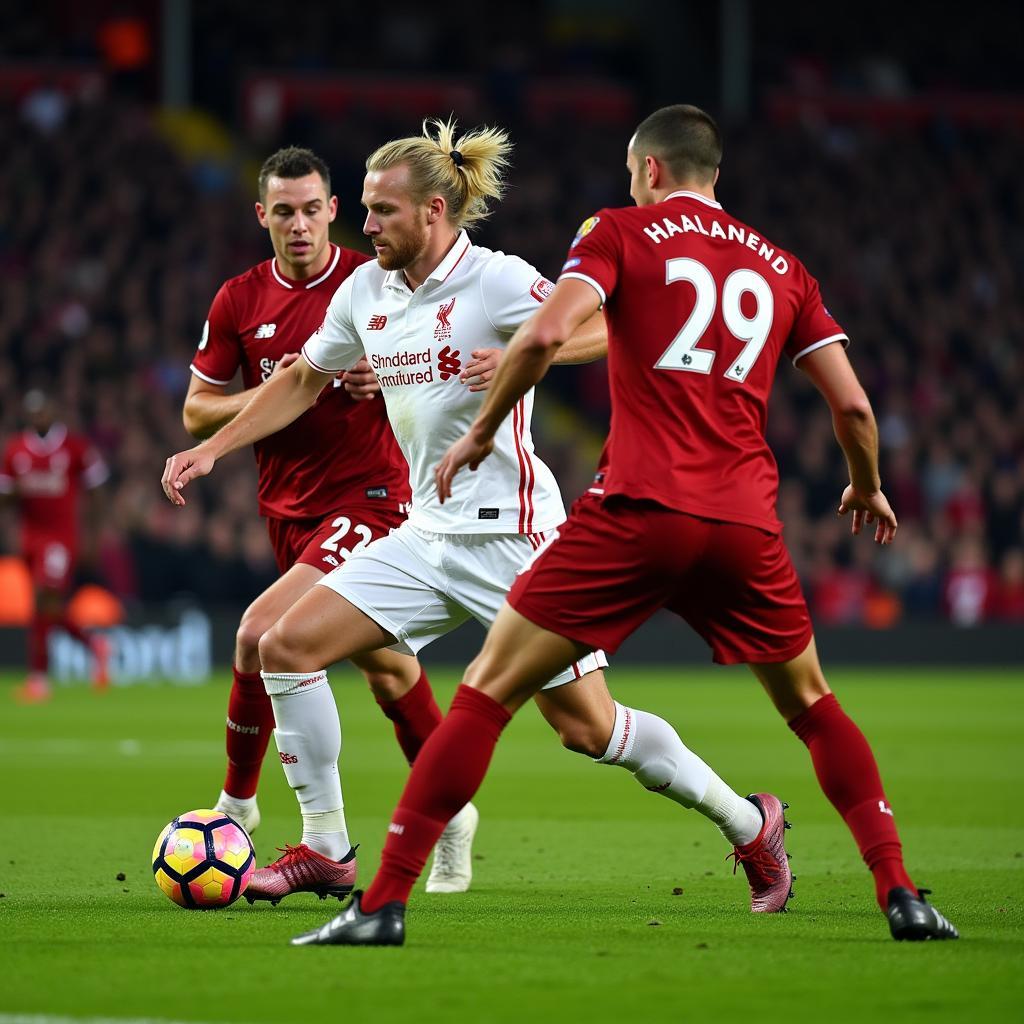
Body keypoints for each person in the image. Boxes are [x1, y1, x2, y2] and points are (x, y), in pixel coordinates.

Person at [293, 104, 958, 946]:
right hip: (744, 523)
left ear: (648, 171)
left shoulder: (620, 233)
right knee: (816, 708)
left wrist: (485, 427)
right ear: (714, 173)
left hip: (635, 511)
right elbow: (856, 408)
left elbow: (543, 334)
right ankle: (900, 892)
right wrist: (865, 486)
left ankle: (381, 904)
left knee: (487, 697)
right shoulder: (787, 268)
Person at [163, 119, 790, 913]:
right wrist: (211, 449)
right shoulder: (366, 291)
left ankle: (747, 821)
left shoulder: (495, 280)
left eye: (381, 211)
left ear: (432, 210)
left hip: (514, 538)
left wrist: (532, 352)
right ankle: (326, 849)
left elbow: (609, 324)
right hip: (427, 534)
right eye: (363, 208)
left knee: (587, 730)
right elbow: (299, 383)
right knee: (284, 646)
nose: (367, 226)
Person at [184, 145, 475, 898]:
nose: (300, 224)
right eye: (284, 211)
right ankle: (454, 812)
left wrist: (389, 368)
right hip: (287, 510)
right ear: (263, 217)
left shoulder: (374, 279)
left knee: (259, 634)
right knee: (387, 667)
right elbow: (196, 407)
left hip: (373, 496)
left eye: (313, 209)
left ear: (333, 210)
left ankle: (239, 809)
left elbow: (439, 346)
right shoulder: (238, 301)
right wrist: (278, 390)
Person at [0, 390, 110, 702]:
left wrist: (94, 535)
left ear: (53, 412)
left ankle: (38, 679)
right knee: (45, 607)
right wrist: (16, 492)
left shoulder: (74, 447)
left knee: (43, 598)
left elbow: (98, 490)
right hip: (30, 538)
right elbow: (5, 496)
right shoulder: (15, 450)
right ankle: (93, 646)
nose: (38, 417)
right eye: (33, 413)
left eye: (43, 411)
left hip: (61, 538)